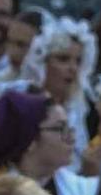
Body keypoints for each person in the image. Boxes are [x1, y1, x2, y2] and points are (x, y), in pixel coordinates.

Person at [27, 15, 96, 156]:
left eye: (78, 61)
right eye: (63, 59)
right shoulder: (23, 108)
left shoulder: (88, 112)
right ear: (42, 63)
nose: (73, 68)